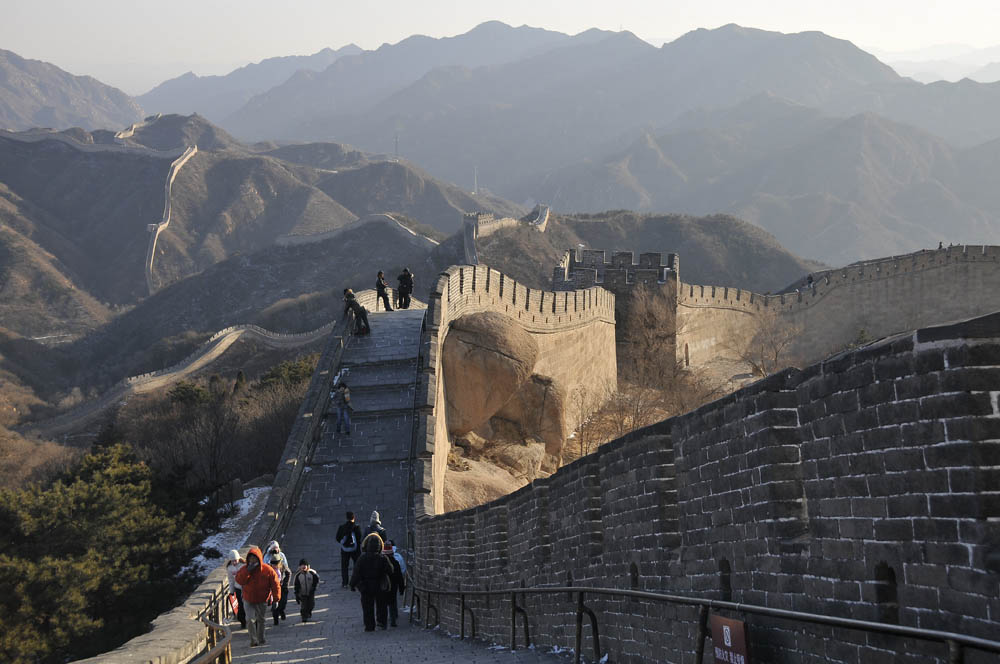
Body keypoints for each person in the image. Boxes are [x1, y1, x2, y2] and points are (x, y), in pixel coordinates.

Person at [235, 545, 280, 647]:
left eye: (254, 558)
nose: (252, 560)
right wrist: (247, 571)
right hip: (248, 599)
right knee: (249, 619)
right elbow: (239, 580)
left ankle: (261, 638)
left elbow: (275, 584)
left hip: (262, 599)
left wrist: (276, 599)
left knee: (261, 620)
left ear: (259, 559)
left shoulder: (267, 570)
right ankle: (253, 640)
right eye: (250, 558)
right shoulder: (245, 569)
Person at [349, 533, 393, 631]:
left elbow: (356, 573)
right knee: (381, 605)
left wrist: (352, 584)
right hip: (380, 585)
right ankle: (381, 623)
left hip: (366, 586)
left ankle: (369, 625)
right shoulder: (382, 558)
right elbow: (390, 570)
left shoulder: (362, 558)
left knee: (367, 607)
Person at [265, 541, 292, 626]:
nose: (275, 565)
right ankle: (275, 619)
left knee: (283, 602)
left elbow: (288, 572)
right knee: (275, 604)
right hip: (274, 588)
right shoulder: (268, 562)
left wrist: (285, 584)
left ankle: (281, 610)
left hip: (282, 587)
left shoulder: (282, 562)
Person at [336, 511, 363, 587]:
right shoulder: (356, 527)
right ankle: (356, 582)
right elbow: (360, 538)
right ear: (354, 517)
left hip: (344, 550)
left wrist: (343, 542)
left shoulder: (341, 527)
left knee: (344, 566)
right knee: (357, 565)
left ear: (346, 518)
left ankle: (345, 583)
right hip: (355, 550)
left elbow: (337, 538)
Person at [382, 540, 406, 627]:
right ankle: (393, 619)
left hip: (383, 585)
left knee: (383, 602)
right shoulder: (395, 563)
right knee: (392, 601)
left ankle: (383, 620)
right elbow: (400, 576)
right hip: (393, 585)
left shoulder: (380, 563)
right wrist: (401, 588)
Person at [225, 550, 246, 629]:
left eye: (235, 560)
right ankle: (243, 621)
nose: (234, 562)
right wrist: (231, 591)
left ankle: (249, 619)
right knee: (240, 605)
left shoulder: (244, 565)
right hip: (238, 588)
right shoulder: (230, 568)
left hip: (246, 588)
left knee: (247, 604)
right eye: (232, 561)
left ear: (238, 559)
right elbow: (231, 580)